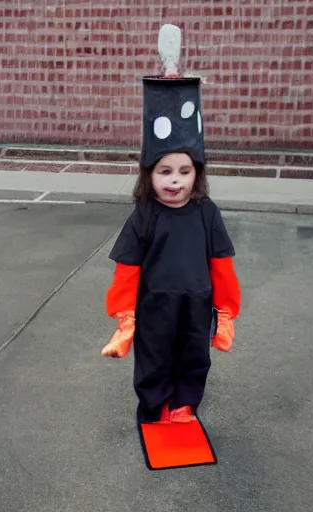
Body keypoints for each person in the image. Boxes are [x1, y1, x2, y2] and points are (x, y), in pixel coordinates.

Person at [101, 75, 241, 424]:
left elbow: (221, 264)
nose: (174, 180)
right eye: (165, 171)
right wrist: (125, 317)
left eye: (184, 171)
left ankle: (184, 403)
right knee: (154, 357)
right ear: (149, 174)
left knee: (194, 356)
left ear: (197, 174)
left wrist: (225, 312)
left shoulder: (207, 213)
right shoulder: (144, 215)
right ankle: (153, 404)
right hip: (154, 307)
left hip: (197, 305)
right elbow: (128, 268)